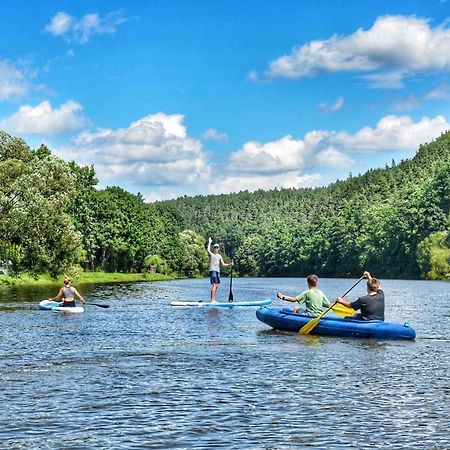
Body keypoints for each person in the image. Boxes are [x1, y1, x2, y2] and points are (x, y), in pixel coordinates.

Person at [207, 237, 232, 303]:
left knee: (217, 285)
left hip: (217, 271)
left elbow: (223, 264)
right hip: (213, 270)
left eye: (217, 247)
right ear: (213, 248)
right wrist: (209, 242)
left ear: (218, 249)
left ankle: (213, 299)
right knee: (214, 285)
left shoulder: (219, 256)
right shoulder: (212, 254)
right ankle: (212, 300)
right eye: (214, 247)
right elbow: (208, 250)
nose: (215, 249)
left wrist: (229, 264)